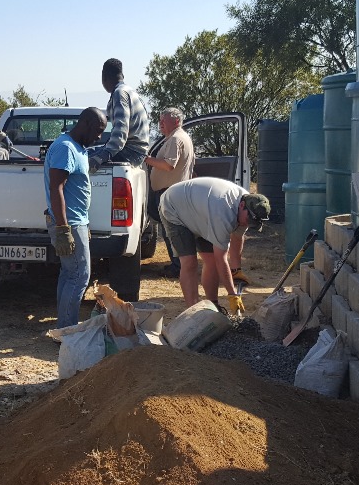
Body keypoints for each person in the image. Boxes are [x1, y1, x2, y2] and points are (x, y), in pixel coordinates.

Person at [159, 177, 271, 313]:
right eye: (249, 220)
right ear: (242, 206)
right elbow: (221, 259)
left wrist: (236, 270)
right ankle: (193, 312)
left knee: (211, 260)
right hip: (175, 206)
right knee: (189, 262)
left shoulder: (248, 207)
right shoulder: (223, 214)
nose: (248, 224)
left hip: (201, 211)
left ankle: (213, 306)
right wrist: (232, 294)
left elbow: (237, 237)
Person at [45, 107, 108, 328]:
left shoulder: (78, 147)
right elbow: (57, 188)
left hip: (76, 221)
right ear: (86, 124)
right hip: (69, 223)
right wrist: (63, 229)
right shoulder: (66, 148)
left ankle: (65, 327)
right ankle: (68, 330)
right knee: (80, 275)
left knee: (70, 273)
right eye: (98, 130)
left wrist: (84, 222)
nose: (99, 136)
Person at [143, 106, 195, 277]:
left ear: (177, 121)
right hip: (174, 192)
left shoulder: (175, 139)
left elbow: (168, 165)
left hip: (170, 193)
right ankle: (177, 264)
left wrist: (146, 159)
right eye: (160, 120)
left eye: (164, 120)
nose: (161, 123)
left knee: (172, 232)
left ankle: (178, 267)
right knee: (171, 231)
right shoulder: (179, 137)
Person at [87, 58, 149, 170]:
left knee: (80, 159)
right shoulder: (131, 92)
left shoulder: (119, 94)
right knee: (87, 152)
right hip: (138, 151)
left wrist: (103, 156)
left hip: (130, 152)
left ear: (104, 77)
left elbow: (121, 129)